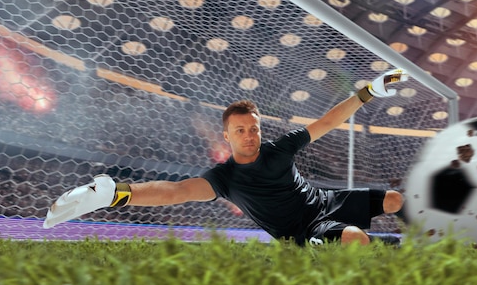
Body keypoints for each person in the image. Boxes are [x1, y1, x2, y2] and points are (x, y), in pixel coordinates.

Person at [44, 69, 409, 246]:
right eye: (240, 131)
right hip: (301, 229)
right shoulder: (225, 178)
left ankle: (433, 235)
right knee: (357, 241)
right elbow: (175, 192)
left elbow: (328, 121)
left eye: (253, 129)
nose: (249, 136)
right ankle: (322, 250)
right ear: (227, 136)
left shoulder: (280, 149)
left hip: (324, 201)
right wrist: (116, 193)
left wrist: (368, 92)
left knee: (394, 199)